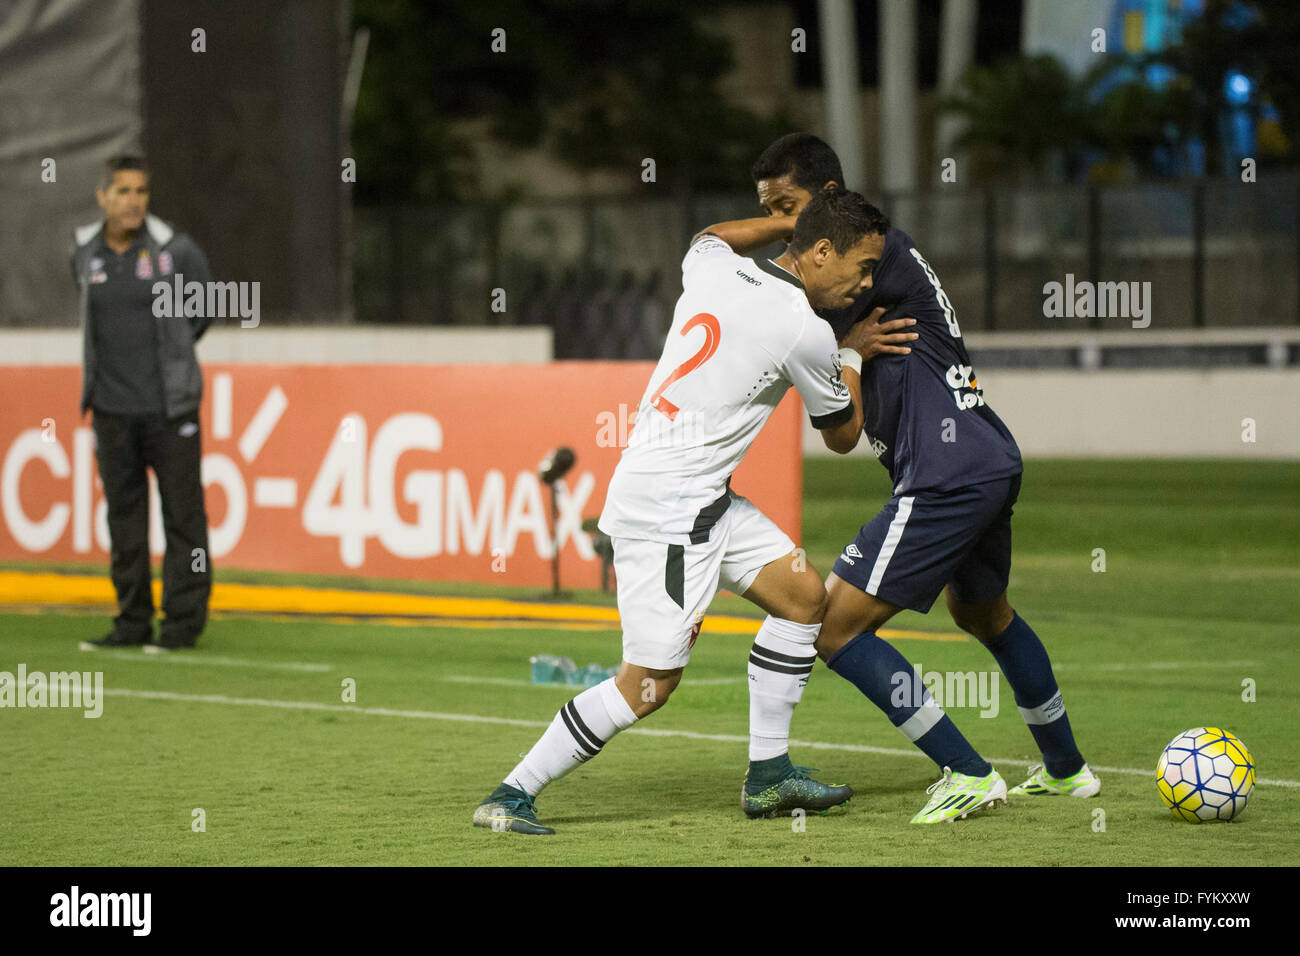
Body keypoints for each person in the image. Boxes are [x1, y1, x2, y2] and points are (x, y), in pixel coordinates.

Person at [473, 189, 887, 834]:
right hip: (671, 512)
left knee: (805, 598)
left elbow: (710, 232)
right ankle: (511, 793)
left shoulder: (717, 268)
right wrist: (853, 351)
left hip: (702, 498)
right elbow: (841, 436)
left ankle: (770, 777)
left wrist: (787, 222)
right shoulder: (805, 329)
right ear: (822, 250)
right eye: (861, 267)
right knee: (647, 686)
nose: (864, 284)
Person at [727, 132, 1099, 822]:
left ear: (832, 205)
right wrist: (845, 350)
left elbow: (770, 310)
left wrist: (835, 349)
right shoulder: (868, 267)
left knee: (834, 628)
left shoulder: (866, 257)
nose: (781, 226)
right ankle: (1068, 769)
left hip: (946, 474)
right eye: (770, 210)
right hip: (986, 456)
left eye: (788, 207)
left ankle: (967, 771)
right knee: (982, 612)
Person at [72, 155, 213, 652]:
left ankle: (182, 624)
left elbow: (202, 311)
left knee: (183, 518)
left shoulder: (176, 250)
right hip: (111, 412)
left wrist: (170, 365)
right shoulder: (85, 254)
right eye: (123, 192)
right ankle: (131, 621)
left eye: (141, 192)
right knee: (124, 521)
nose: (133, 202)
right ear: (102, 196)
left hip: (170, 412)